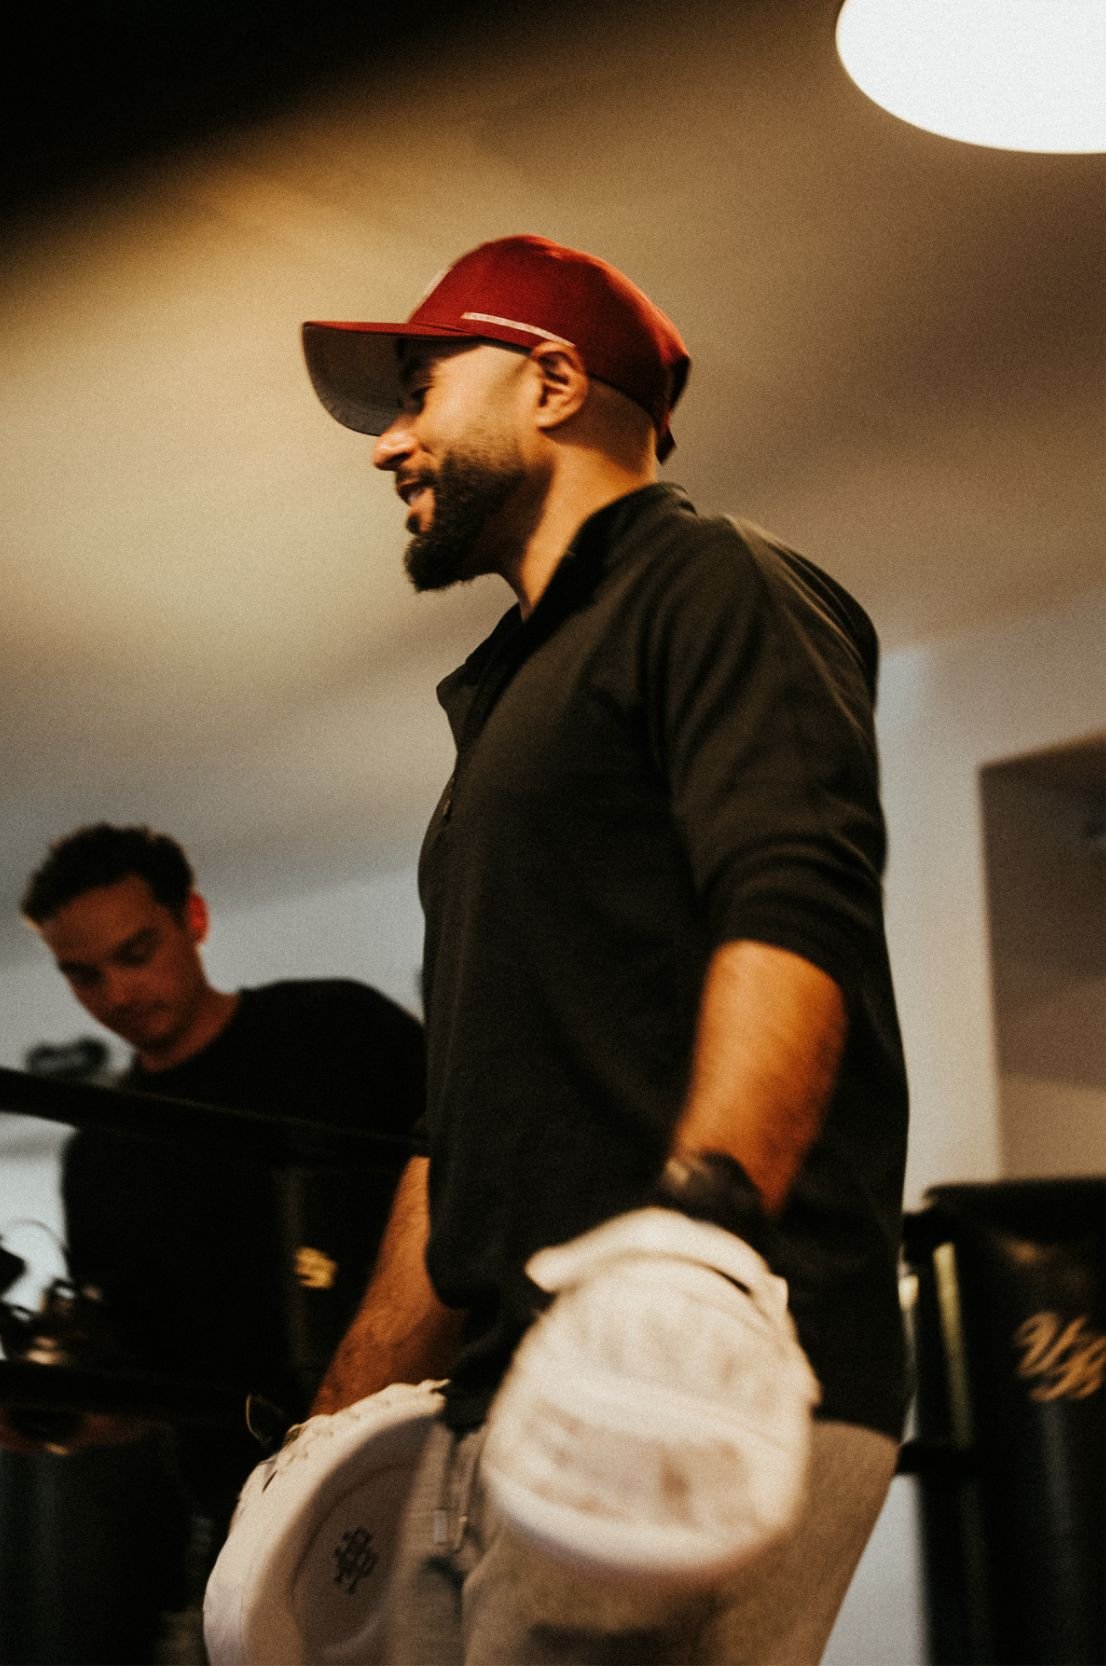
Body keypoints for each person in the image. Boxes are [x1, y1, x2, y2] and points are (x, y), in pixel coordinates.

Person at [299, 234, 909, 1664]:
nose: (390, 440)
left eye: (419, 388)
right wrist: (346, 1419)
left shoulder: (714, 585)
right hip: (508, 1390)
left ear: (555, 380)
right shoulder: (509, 704)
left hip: (690, 1378)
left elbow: (791, 899)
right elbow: (468, 1115)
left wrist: (692, 1262)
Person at [8, 823, 425, 1659]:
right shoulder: (99, 1155)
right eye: (81, 975)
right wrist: (52, 1417)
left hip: (424, 1473)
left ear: (192, 918)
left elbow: (477, 1181)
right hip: (243, 1521)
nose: (117, 993)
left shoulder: (337, 1027)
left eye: (136, 951)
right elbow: (145, 1384)